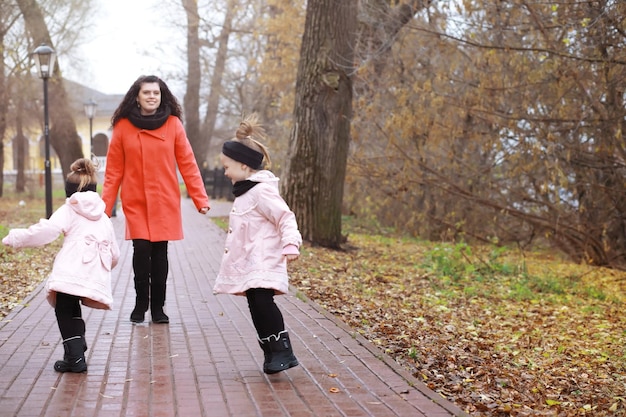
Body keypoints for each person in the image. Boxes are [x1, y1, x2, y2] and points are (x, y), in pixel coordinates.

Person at [101, 75, 210, 324]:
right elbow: (113, 171)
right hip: (136, 200)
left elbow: (188, 163)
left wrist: (200, 199)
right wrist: (105, 208)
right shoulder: (122, 127)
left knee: (160, 253)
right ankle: (140, 304)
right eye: (147, 92)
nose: (152, 96)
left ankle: (159, 307)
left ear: (162, 96)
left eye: (156, 93)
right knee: (141, 250)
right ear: (136, 97)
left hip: (164, 199)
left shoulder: (173, 125)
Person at [2, 158, 120, 373]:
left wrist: (16, 238)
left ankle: (75, 356)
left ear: (70, 190)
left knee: (64, 309)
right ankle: (75, 348)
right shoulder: (103, 217)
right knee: (71, 307)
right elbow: (114, 254)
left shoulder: (69, 209)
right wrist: (101, 270)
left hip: (71, 270)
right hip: (92, 271)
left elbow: (45, 232)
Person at [213, 113, 302, 374]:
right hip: (250, 262)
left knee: (263, 303)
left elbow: (285, 217)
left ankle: (283, 352)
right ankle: (271, 352)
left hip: (263, 259)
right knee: (255, 304)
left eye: (227, 167)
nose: (225, 172)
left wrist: (291, 244)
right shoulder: (244, 192)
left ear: (243, 166)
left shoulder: (261, 191)